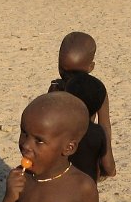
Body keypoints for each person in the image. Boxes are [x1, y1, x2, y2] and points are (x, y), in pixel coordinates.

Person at [48, 31, 116, 175]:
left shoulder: (96, 90)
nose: (68, 77)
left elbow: (104, 125)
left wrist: (107, 159)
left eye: (74, 73)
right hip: (61, 151)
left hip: (86, 150)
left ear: (91, 67)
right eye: (62, 70)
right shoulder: (57, 88)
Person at [65, 73, 116, 182]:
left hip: (61, 186)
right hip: (87, 188)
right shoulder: (97, 133)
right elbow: (110, 169)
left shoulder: (60, 130)